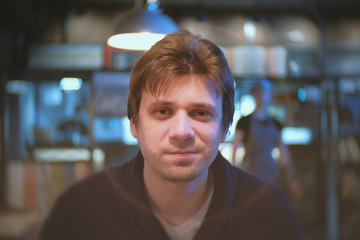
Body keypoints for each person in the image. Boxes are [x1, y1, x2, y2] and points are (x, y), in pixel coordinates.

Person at [39, 30, 303, 240]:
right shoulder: (80, 212)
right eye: (163, 111)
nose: (181, 132)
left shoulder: (270, 214)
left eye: (200, 113)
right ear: (134, 123)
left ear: (225, 127)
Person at [231, 79, 303, 201]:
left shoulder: (276, 123)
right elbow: (234, 149)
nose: (262, 96)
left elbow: (284, 153)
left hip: (272, 177)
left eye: (265, 93)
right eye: (259, 93)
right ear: (254, 95)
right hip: (249, 174)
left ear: (270, 96)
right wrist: (233, 177)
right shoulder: (244, 122)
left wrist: (291, 179)